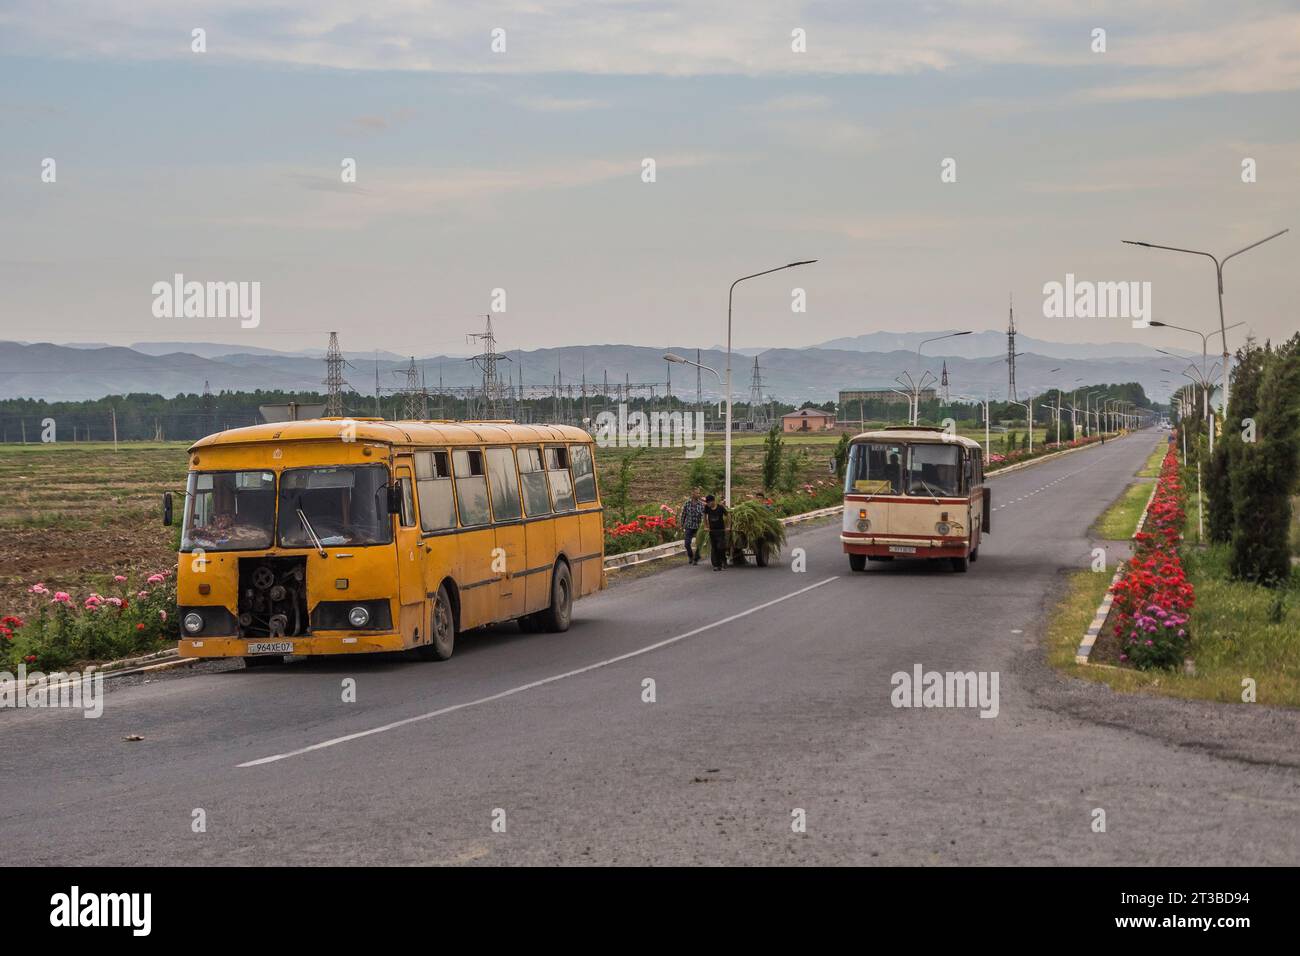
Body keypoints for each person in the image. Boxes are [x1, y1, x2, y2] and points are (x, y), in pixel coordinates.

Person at [678, 488, 705, 565]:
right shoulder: (687, 503)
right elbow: (683, 514)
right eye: (697, 493)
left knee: (699, 543)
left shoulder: (701, 504)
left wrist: (704, 525)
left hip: (698, 526)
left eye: (699, 493)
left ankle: (696, 558)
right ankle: (690, 556)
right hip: (689, 526)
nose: (698, 495)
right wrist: (681, 524)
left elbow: (704, 515)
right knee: (687, 543)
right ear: (692, 494)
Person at [703, 494, 728, 571]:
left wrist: (728, 526)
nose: (708, 504)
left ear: (713, 501)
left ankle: (723, 561)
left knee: (720, 547)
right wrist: (705, 526)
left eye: (709, 502)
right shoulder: (707, 507)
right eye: (707, 502)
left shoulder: (720, 507)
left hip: (720, 530)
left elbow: (728, 515)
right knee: (714, 548)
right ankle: (716, 565)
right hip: (712, 531)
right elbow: (704, 516)